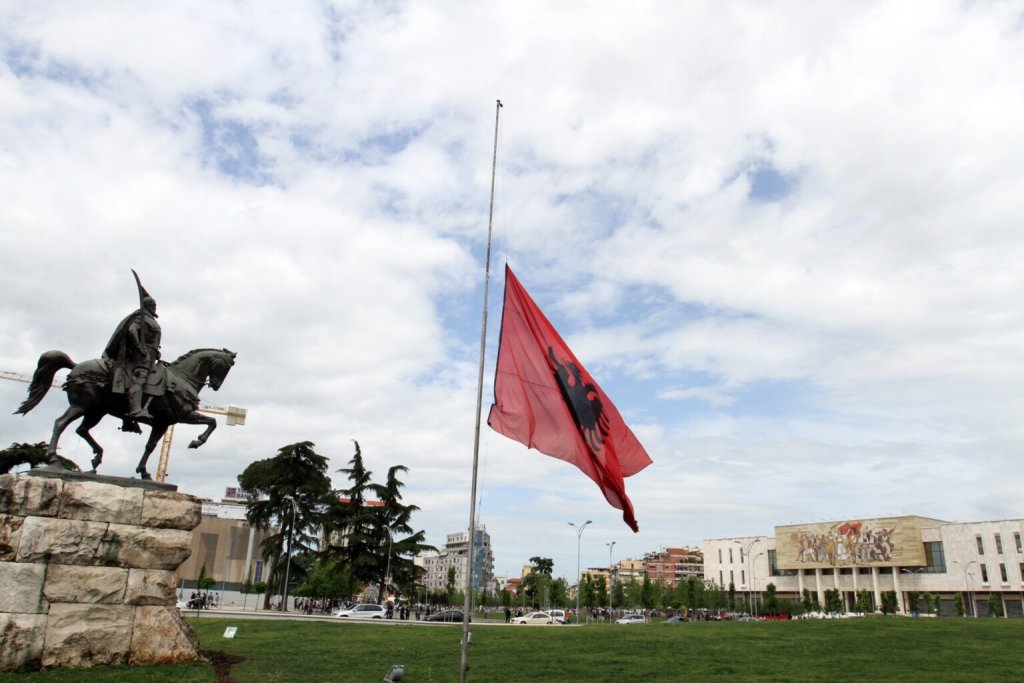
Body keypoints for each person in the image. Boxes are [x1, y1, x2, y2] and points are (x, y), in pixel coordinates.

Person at [104, 288, 161, 422]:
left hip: (150, 354)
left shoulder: (149, 319)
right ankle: (135, 409)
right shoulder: (142, 318)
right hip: (142, 356)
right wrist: (139, 347)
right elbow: (132, 330)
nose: (155, 308)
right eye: (153, 305)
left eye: (155, 306)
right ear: (147, 306)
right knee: (140, 377)